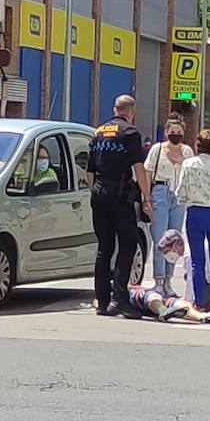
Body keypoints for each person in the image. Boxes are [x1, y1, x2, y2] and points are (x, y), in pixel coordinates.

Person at [86, 94, 152, 319]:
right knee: (128, 244)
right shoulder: (130, 133)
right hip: (119, 195)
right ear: (131, 111)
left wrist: (95, 193)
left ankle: (102, 301)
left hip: (99, 194)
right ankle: (119, 299)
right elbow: (139, 168)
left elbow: (89, 172)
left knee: (104, 248)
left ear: (115, 109)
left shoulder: (98, 132)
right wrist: (147, 197)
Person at [175, 128, 210, 312]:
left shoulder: (188, 164)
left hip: (195, 213)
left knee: (196, 260)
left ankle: (199, 302)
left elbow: (181, 191)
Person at [146, 115, 193, 294]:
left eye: (179, 132)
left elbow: (191, 173)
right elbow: (148, 172)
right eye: (172, 132)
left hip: (179, 196)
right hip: (160, 191)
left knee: (174, 240)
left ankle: (168, 281)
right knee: (160, 237)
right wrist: (146, 198)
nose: (175, 135)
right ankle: (158, 280)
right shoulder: (157, 150)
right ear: (166, 132)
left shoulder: (187, 151)